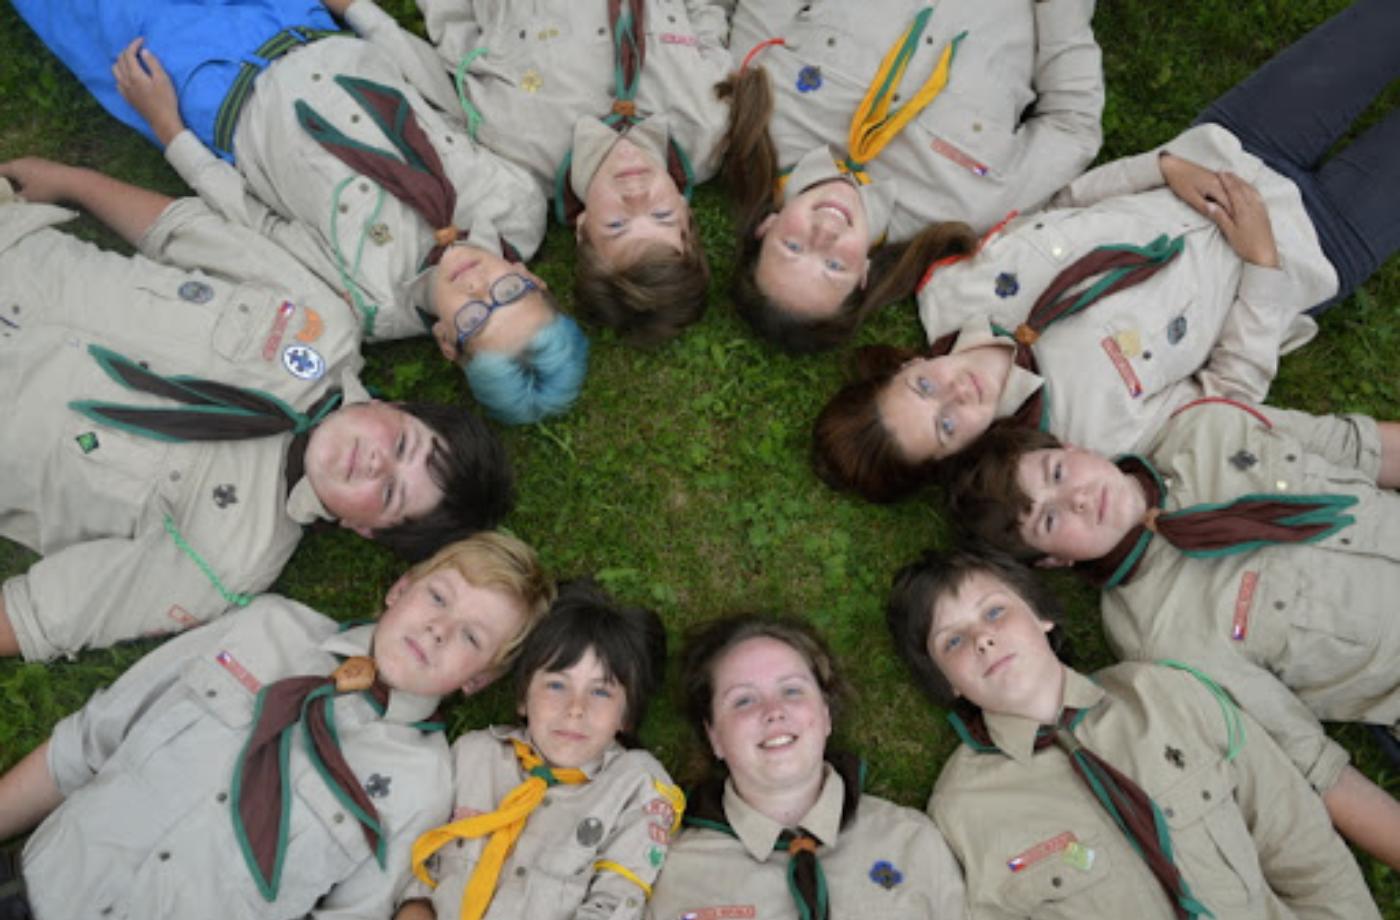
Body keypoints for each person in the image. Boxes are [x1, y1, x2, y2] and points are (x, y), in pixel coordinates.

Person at [813, 0, 1400, 498]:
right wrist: (1263, 265)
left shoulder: (950, 283)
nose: (955, 393)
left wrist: (1165, 168)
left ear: (907, 366)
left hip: (1232, 145)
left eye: (923, 388)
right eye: (946, 426)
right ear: (956, 457)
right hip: (1317, 244)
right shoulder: (1088, 441)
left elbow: (1062, 201)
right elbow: (1225, 404)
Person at [0, 161, 512, 661]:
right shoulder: (323, 320)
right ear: (394, 406)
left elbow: (43, 615)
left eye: (390, 493)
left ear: (364, 529)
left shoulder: (228, 559)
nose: (378, 464)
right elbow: (183, 234)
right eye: (402, 444)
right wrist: (71, 180)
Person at [12, 0, 589, 424]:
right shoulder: (517, 204)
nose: (479, 286)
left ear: (446, 343)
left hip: (215, 84)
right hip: (306, 23)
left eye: (473, 320)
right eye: (510, 293)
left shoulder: (365, 304)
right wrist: (357, 10)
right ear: (533, 278)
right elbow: (445, 101)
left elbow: (254, 224)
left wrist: (168, 128)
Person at [0, 532, 556, 920]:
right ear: (401, 588)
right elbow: (86, 743)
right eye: (438, 597)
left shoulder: (420, 785)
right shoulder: (264, 627)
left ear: (477, 679)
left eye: (471, 636)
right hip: (28, 887)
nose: (438, 628)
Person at [946, 397, 1400, 869]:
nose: (1076, 499)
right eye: (1049, 519)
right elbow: (1316, 769)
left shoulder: (1206, 427)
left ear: (1073, 447)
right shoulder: (1158, 642)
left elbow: (1362, 448)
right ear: (1054, 561)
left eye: (1058, 473)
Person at [885, 547, 1380, 918]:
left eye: (995, 611)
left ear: (1041, 616)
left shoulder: (1166, 694)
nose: (983, 639)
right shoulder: (962, 810)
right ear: (947, 683)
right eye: (953, 641)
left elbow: (1299, 841)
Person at [715, 0, 1104, 350]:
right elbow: (1072, 128)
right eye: (835, 266)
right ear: (864, 274)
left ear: (765, 227)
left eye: (792, 246)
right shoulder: (969, 206)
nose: (825, 234)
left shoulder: (758, 105)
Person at [415, 0, 734, 343]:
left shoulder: (517, 140)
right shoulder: (708, 126)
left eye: (617, 225)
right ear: (686, 212)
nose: (636, 194)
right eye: (662, 215)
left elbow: (458, 38)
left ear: (582, 230)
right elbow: (707, 16)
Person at [648, 614, 966, 919]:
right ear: (714, 736)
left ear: (826, 715)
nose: (774, 711)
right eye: (744, 700)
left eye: (792, 690)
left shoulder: (912, 841)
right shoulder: (667, 871)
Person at [398, 580, 676, 920]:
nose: (576, 709)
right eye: (556, 685)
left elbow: (617, 903)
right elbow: (415, 870)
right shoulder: (473, 755)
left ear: (627, 716)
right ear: (522, 697)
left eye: (601, 692)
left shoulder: (636, 787)